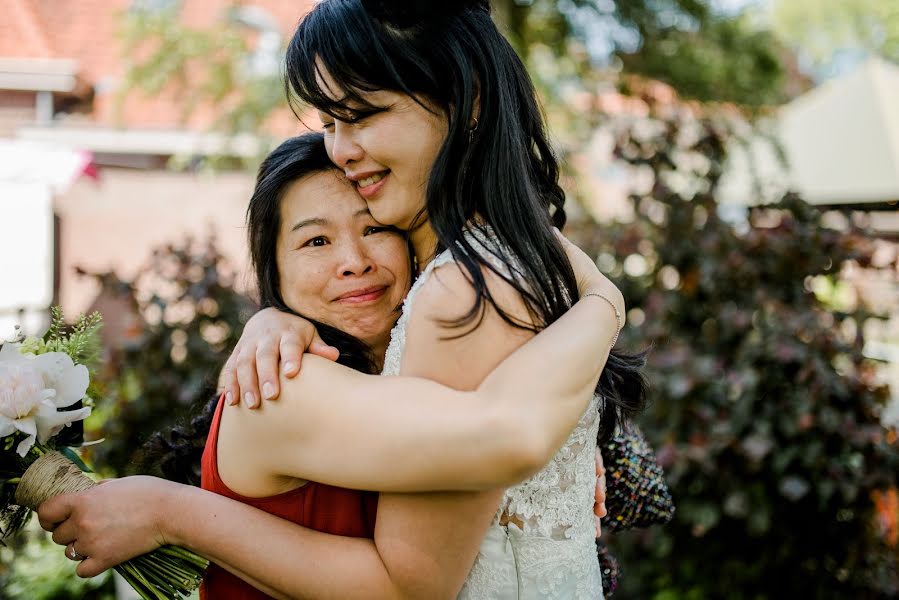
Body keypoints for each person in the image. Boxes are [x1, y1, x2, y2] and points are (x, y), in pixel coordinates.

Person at [38, 130, 626, 598]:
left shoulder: (401, 375)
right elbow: (499, 438)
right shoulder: (280, 385)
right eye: (315, 242)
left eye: (373, 229)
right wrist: (605, 303)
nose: (353, 261)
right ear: (275, 273)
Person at [218, 0, 646, 597]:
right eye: (329, 124)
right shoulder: (515, 259)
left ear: (466, 99)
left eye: (361, 115)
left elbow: (413, 583)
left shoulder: (461, 292)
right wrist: (273, 319)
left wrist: (174, 515)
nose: (339, 151)